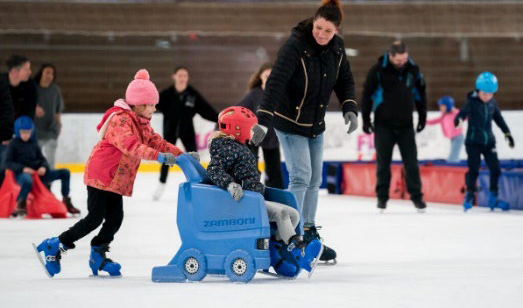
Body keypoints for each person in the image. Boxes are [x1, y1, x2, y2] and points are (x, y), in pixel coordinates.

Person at [35, 69, 195, 278]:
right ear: (139, 104)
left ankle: (98, 254)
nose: (155, 109)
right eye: (152, 105)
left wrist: (181, 155)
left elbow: (156, 141)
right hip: (101, 175)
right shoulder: (120, 121)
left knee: (115, 218)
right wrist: (158, 157)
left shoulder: (141, 122)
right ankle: (55, 246)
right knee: (94, 218)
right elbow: (131, 146)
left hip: (116, 179)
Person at [251, 0, 358, 263]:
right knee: (301, 176)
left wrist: (349, 106)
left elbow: (344, 79)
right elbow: (275, 82)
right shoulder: (296, 45)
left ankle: (308, 231)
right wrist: (263, 118)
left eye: (328, 31)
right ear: (313, 22)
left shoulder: (338, 48)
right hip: (289, 122)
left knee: (314, 179)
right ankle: (287, 234)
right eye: (318, 28)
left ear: (337, 31)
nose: (321, 34)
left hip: (315, 125)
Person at [207, 106, 322, 277]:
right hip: (244, 201)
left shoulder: (239, 145)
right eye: (250, 127)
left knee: (294, 215)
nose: (253, 131)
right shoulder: (226, 147)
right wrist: (230, 185)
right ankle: (299, 252)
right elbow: (214, 170)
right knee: (282, 214)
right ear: (237, 128)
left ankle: (277, 253)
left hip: (254, 197)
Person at [361, 41, 427, 212]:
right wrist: (366, 120)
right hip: (384, 125)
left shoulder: (413, 69)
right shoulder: (377, 70)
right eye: (398, 60)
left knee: (411, 163)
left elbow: (420, 94)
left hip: (406, 125)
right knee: (383, 163)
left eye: (404, 59)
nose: (402, 63)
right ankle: (382, 198)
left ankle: (417, 197)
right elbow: (367, 95)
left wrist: (422, 116)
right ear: (390, 56)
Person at [153, 66, 218, 200]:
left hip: (187, 131)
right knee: (166, 159)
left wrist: (219, 119)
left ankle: (198, 185)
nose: (182, 78)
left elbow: (206, 109)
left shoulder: (192, 94)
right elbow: (151, 104)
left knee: (194, 159)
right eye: (180, 75)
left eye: (185, 76)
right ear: (174, 76)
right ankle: (161, 185)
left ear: (187, 78)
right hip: (170, 131)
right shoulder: (166, 94)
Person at [454, 72, 515, 212]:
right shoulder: (472, 102)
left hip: (489, 143)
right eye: (484, 93)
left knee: (496, 169)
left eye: (490, 93)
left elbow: (499, 119)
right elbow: (462, 114)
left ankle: (493, 197)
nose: (487, 96)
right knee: (474, 169)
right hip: (473, 143)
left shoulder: (493, 103)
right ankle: (469, 194)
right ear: (478, 90)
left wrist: (507, 133)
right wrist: (458, 121)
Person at [1, 116, 80, 217]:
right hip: (21, 175)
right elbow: (7, 163)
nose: (26, 134)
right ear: (17, 131)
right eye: (23, 132)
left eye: (28, 132)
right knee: (27, 179)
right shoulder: (13, 144)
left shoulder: (33, 143)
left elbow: (43, 159)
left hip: (38, 174)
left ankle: (66, 200)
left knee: (65, 172)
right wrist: (23, 169)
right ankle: (20, 204)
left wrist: (43, 167)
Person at [237, 63, 284, 189]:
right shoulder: (254, 94)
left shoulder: (281, 93)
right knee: (252, 168)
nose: (269, 79)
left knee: (274, 171)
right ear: (260, 77)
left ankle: (276, 195)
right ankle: (252, 190)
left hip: (272, 136)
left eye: (272, 76)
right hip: (254, 136)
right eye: (266, 76)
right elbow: (239, 111)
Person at [34, 63, 65, 168]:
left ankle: (48, 183)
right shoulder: (33, 88)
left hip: (51, 130)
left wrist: (59, 125)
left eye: (52, 73)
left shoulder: (55, 90)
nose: (49, 75)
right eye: (47, 72)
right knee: (34, 160)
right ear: (41, 73)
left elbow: (58, 110)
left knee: (50, 161)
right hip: (35, 131)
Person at [426, 96, 464, 162]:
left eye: (442, 106)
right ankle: (454, 164)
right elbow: (435, 121)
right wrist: (425, 122)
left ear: (448, 105)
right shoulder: (444, 115)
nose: (440, 108)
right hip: (452, 138)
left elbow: (466, 117)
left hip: (458, 137)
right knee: (454, 155)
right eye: (440, 106)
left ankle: (453, 166)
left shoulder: (456, 113)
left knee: (453, 157)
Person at [5, 55, 37, 120]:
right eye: (26, 69)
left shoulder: (30, 85)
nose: (30, 72)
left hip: (22, 125)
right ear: (14, 71)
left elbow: (30, 111)